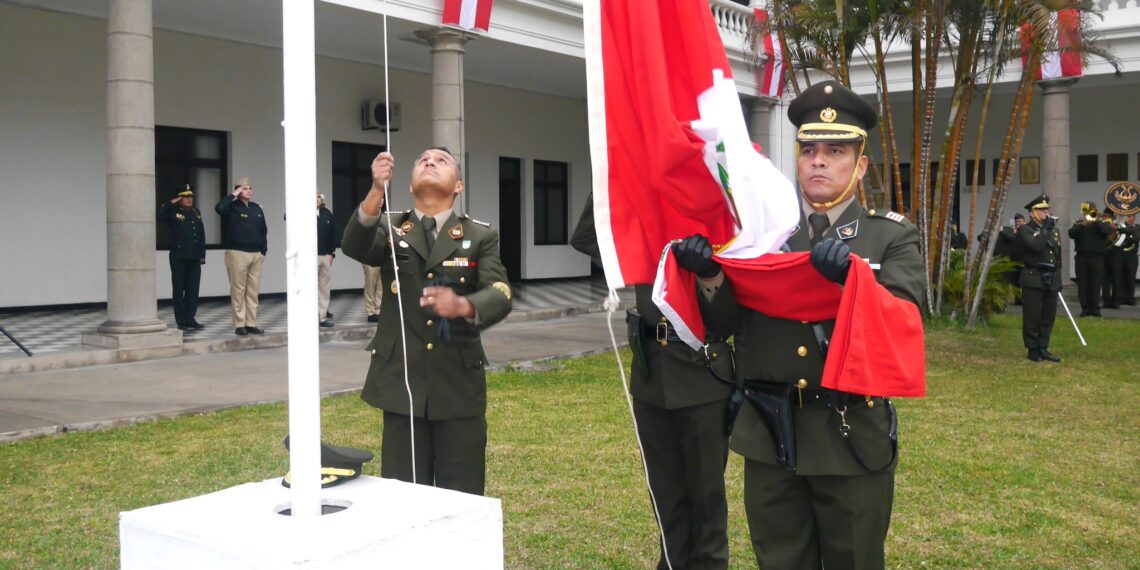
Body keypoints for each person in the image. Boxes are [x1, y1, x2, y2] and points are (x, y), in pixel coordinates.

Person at [677, 80, 925, 569]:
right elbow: (724, 326)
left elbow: (903, 321)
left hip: (847, 432)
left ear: (860, 165)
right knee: (780, 561)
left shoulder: (889, 236)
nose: (818, 161)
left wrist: (850, 282)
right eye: (809, 149)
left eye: (836, 150)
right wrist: (709, 275)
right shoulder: (763, 234)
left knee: (852, 560)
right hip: (771, 433)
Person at [571, 196, 736, 569]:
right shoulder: (641, 228)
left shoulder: (715, 215)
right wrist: (611, 168)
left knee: (706, 497)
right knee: (664, 494)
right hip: (651, 374)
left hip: (701, 372)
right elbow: (585, 237)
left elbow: (730, 317)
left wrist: (709, 270)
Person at [340, 148, 512, 496]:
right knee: (404, 495)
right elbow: (354, 245)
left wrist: (464, 304)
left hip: (458, 385)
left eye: (441, 160)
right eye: (422, 160)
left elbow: (500, 291)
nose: (430, 162)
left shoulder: (479, 236)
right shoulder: (391, 225)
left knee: (460, 493)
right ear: (408, 184)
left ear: (459, 185)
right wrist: (376, 189)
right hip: (402, 381)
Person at [216, 176, 268, 335]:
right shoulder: (231, 207)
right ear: (238, 190)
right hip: (237, 253)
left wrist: (263, 251)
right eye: (244, 189)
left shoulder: (256, 208)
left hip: (255, 255)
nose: (249, 191)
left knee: (253, 292)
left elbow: (263, 231)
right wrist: (233, 194)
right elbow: (219, 208)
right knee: (238, 290)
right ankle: (240, 324)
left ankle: (251, 323)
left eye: (250, 188)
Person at [1019, 194, 1063, 362]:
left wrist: (1058, 278)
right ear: (1032, 213)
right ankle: (1032, 348)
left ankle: (1044, 347)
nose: (1046, 212)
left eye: (1047, 209)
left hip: (1051, 277)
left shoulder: (1054, 230)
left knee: (1048, 315)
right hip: (1034, 276)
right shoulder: (1026, 229)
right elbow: (1036, 246)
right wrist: (1046, 231)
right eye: (1041, 210)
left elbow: (1057, 255)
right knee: (1033, 315)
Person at [157, 185, 206, 331]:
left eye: (190, 196)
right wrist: (172, 202)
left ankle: (190, 318)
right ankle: (181, 321)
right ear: (179, 198)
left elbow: (201, 234)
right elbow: (159, 214)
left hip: (194, 256)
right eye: (185, 197)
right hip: (179, 256)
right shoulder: (173, 212)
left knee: (193, 289)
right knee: (179, 289)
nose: (189, 199)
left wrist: (202, 255)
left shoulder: (196, 212)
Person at [1068, 201, 1112, 317]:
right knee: (1083, 284)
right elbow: (1071, 234)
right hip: (1082, 257)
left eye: (1090, 211)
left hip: (1097, 258)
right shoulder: (1079, 223)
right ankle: (1085, 309)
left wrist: (1095, 221)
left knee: (1095, 284)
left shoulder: (1102, 222)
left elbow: (1106, 231)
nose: (1087, 214)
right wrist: (1082, 225)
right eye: (1086, 212)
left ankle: (1095, 309)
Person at [316, 193, 339, 327]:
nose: (316, 199)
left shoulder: (326, 213)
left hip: (325, 255)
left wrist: (332, 253)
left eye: (318, 197)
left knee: (324, 287)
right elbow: (287, 216)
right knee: (309, 287)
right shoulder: (303, 211)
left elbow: (332, 234)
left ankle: (322, 317)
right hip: (310, 256)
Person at [1101, 208, 1124, 310]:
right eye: (1105, 216)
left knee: (1116, 279)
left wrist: (1112, 245)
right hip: (1104, 254)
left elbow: (1122, 237)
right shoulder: (1102, 225)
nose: (1106, 217)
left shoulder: (1120, 225)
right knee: (1105, 279)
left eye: (1108, 216)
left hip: (1116, 253)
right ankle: (1106, 301)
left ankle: (1115, 301)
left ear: (1113, 216)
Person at [1121, 214, 1138, 305]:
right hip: (1121, 255)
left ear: (1134, 218)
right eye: (1126, 217)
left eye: (1129, 217)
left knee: (1131, 277)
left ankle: (1130, 299)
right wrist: (1128, 234)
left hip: (1131, 256)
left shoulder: (1137, 227)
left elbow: (1136, 238)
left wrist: (1124, 235)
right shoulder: (1121, 226)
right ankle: (1121, 298)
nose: (1127, 219)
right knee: (1120, 277)